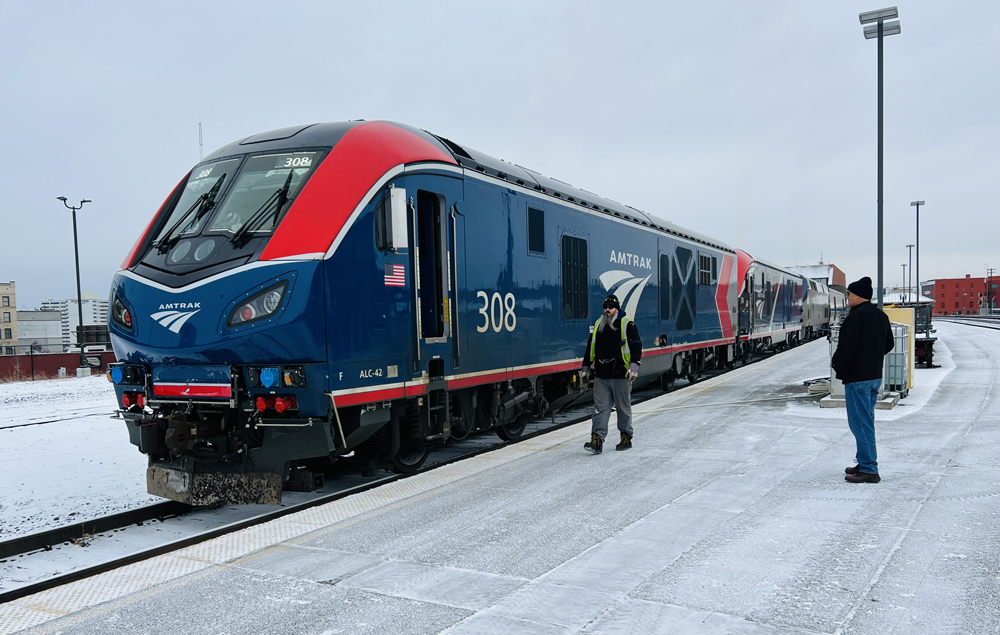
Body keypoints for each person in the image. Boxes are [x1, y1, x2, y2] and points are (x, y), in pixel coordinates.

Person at [831, 276, 894, 483]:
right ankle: (864, 460)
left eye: (849, 293)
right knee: (866, 421)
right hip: (874, 377)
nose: (847, 297)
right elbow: (889, 345)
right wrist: (872, 357)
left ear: (858, 296)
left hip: (857, 379)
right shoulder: (880, 316)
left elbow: (846, 348)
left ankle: (869, 469)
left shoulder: (854, 318)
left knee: (860, 424)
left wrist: (837, 364)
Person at [581, 294, 642, 453]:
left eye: (610, 307)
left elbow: (636, 346)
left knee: (623, 408)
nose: (607, 310)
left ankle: (626, 437)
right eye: (605, 307)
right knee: (600, 409)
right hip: (601, 375)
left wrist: (634, 367)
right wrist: (585, 368)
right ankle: (597, 441)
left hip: (621, 375)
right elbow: (590, 348)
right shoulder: (598, 325)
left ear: (617, 308)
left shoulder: (628, 325)